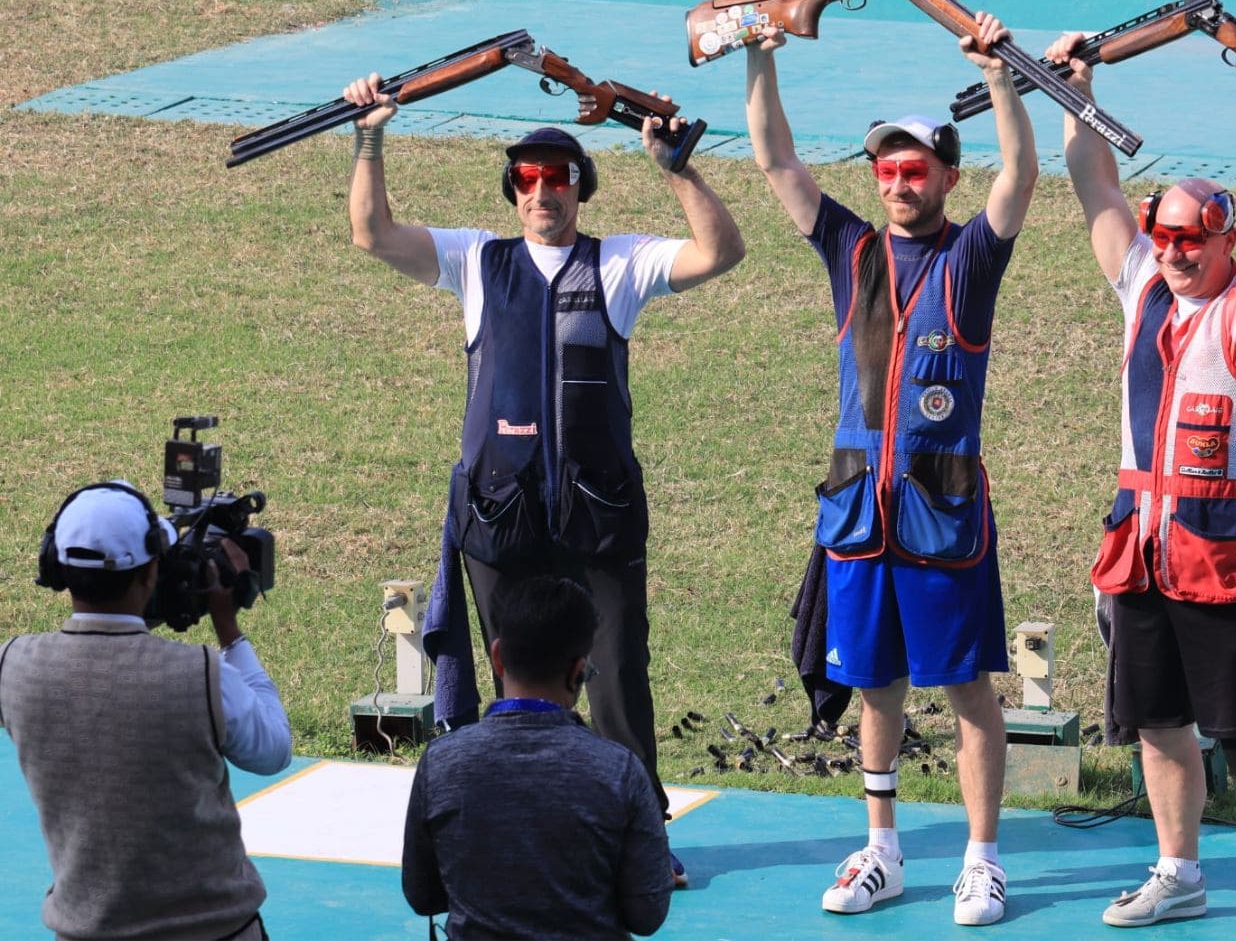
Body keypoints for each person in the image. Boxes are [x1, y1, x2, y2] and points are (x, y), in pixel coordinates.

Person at [339, 74, 745, 880]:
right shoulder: (476, 260)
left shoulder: (621, 263)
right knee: (513, 684)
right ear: (512, 192)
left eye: (556, 177)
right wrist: (370, 136)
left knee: (619, 674)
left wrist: (678, 169)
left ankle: (642, 839)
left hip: (599, 515)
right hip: (501, 515)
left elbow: (721, 251)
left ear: (579, 190)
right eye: (525, 179)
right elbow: (371, 233)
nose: (540, 191)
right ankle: (512, 832)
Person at [742, 0, 1037, 927]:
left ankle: (983, 860)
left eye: (914, 167)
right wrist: (761, 58)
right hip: (859, 515)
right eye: (884, 167)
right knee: (873, 685)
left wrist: (998, 74)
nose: (897, 181)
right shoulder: (850, 248)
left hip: (942, 514)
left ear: (948, 173)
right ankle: (883, 850)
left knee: (964, 689)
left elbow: (1021, 177)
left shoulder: (973, 258)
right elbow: (777, 161)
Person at [1046, 31, 1236, 940]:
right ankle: (1179, 870)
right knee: (1158, 721)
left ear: (1223, 242)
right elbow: (1091, 183)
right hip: (1141, 545)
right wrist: (1074, 94)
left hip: (1226, 554)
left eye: (1189, 240)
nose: (1169, 252)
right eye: (1161, 235)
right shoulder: (1143, 289)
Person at [0, 481, 290, 940]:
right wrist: (229, 630)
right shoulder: (203, 674)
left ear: (56, 568)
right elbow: (273, 750)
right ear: (153, 571)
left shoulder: (12, 665)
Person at [401, 574, 671, 939]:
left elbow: (423, 896)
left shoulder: (441, 763)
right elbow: (647, 913)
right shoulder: (618, 771)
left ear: (497, 657)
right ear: (578, 672)